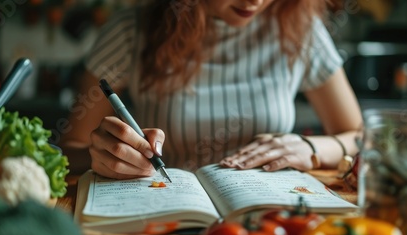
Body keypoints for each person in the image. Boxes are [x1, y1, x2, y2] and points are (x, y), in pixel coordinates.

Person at [59, 0, 363, 180]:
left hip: (267, 222)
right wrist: (101, 156)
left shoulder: (298, 26)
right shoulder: (133, 30)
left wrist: (310, 149)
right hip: (163, 216)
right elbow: (67, 151)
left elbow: (358, 137)